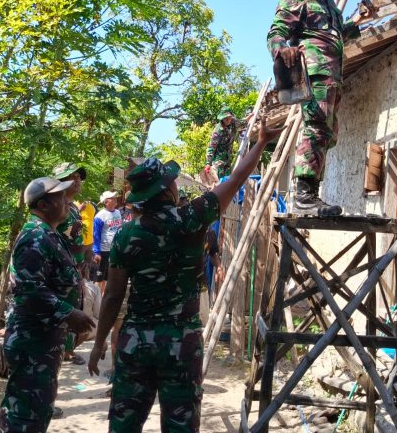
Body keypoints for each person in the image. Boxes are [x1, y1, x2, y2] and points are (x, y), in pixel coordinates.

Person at [88, 117, 281, 433]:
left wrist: (99, 345)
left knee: (124, 425)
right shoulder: (192, 218)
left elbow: (113, 296)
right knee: (181, 426)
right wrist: (259, 143)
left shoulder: (125, 236)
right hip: (182, 341)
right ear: (166, 190)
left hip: (136, 341)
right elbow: (234, 179)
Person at [267, 0, 367, 216]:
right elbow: (276, 32)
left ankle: (311, 193)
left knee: (328, 133)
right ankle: (303, 195)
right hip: (314, 73)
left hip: (334, 75)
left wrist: (353, 27)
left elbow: (335, 35)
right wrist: (281, 49)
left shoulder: (329, 5)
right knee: (316, 127)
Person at [0, 177, 96, 432]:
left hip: (43, 341)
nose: (66, 201)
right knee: (26, 418)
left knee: (29, 413)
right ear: (43, 204)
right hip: (32, 341)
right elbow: (29, 289)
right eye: (60, 197)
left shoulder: (50, 235)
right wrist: (68, 313)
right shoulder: (34, 237)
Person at [52, 162, 88, 365]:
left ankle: (67, 349)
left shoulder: (72, 206)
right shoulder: (56, 204)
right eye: (71, 177)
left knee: (72, 306)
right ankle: (61, 349)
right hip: (60, 270)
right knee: (63, 307)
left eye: (78, 177)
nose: (77, 181)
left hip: (74, 267)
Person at [92, 190, 125, 293]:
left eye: (115, 198)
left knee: (110, 275)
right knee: (100, 275)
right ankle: (98, 299)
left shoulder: (118, 212)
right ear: (106, 202)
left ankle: (105, 295)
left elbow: (119, 228)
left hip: (115, 248)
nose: (115, 200)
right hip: (103, 250)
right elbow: (96, 235)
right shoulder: (100, 216)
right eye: (112, 198)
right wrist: (96, 252)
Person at [205, 106, 241, 179]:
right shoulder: (218, 131)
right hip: (219, 160)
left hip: (228, 158)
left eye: (229, 118)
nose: (228, 120)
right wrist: (208, 163)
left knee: (228, 180)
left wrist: (250, 117)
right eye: (226, 118)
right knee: (219, 180)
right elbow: (211, 147)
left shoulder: (233, 122)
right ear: (222, 118)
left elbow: (242, 123)